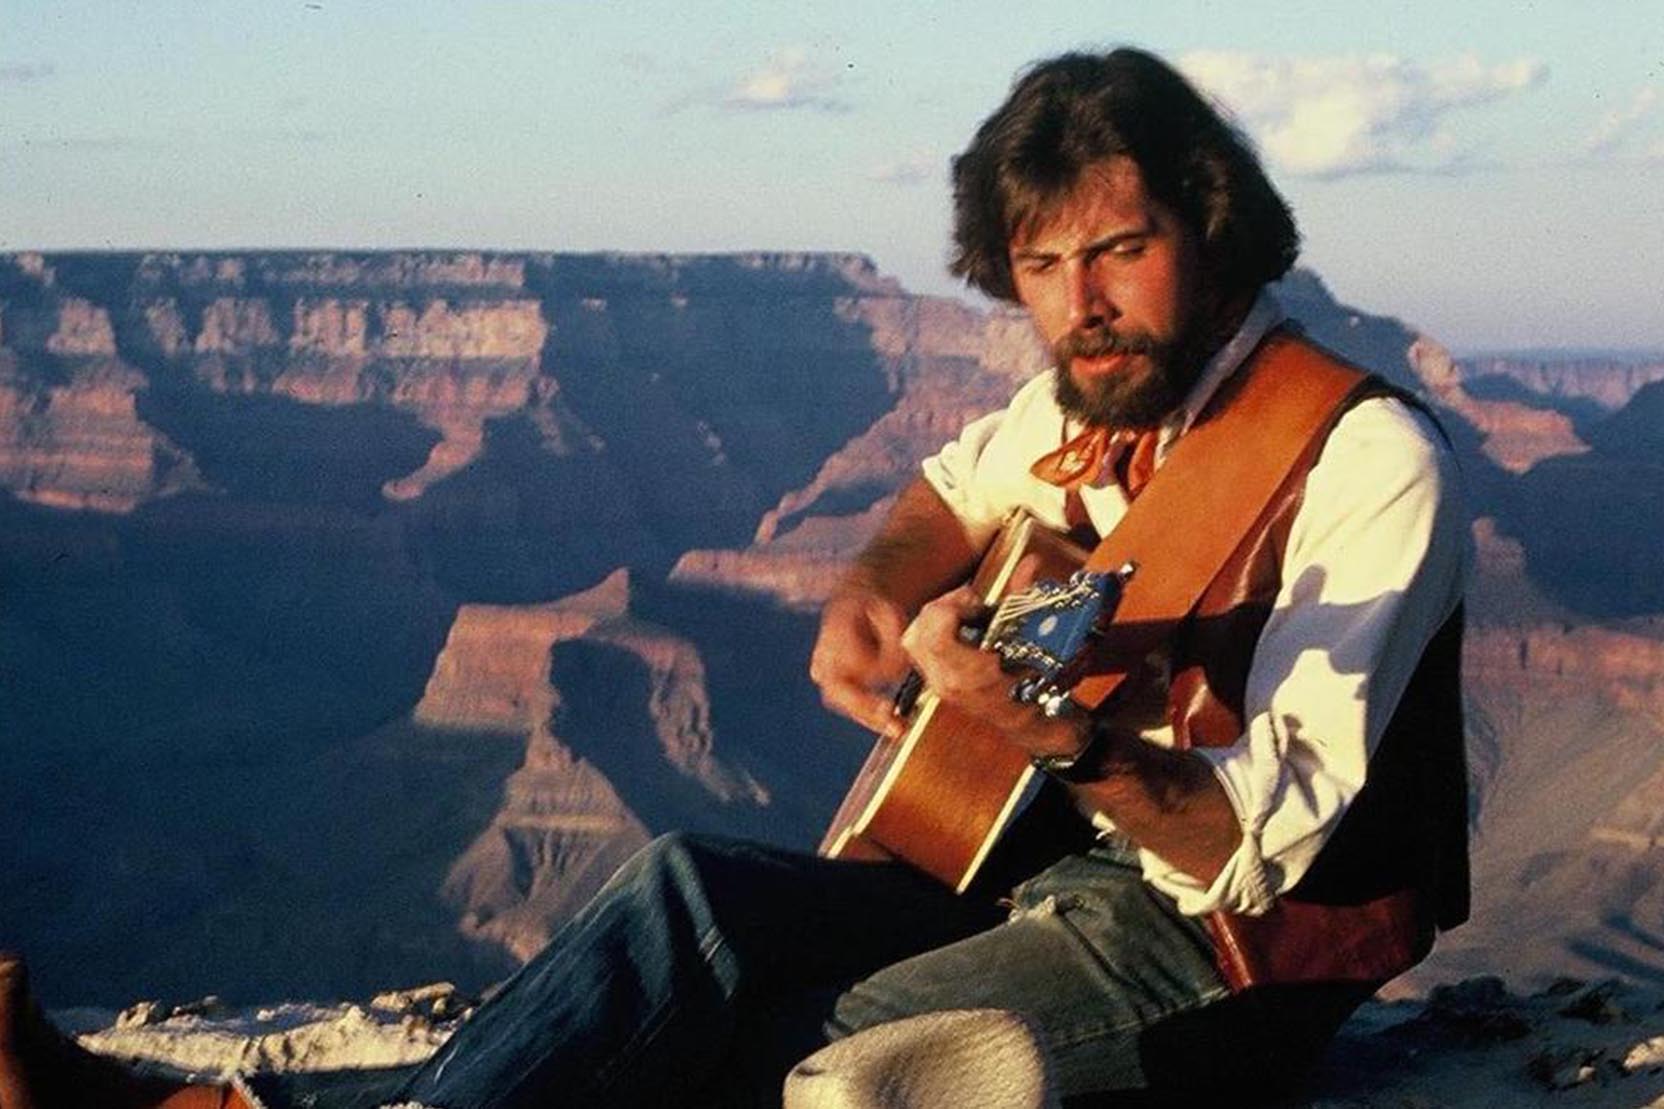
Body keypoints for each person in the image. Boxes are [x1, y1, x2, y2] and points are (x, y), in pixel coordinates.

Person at [0, 45, 1470, 1108]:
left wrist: (1062, 738)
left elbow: (1248, 846)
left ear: (1208, 228)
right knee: (681, 893)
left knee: (812, 1054)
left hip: (1229, 948)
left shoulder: (1357, 456)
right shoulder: (1093, 398)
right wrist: (872, 591)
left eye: (1120, 251)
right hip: (1029, 863)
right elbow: (952, 489)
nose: (1079, 306)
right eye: (1038, 265)